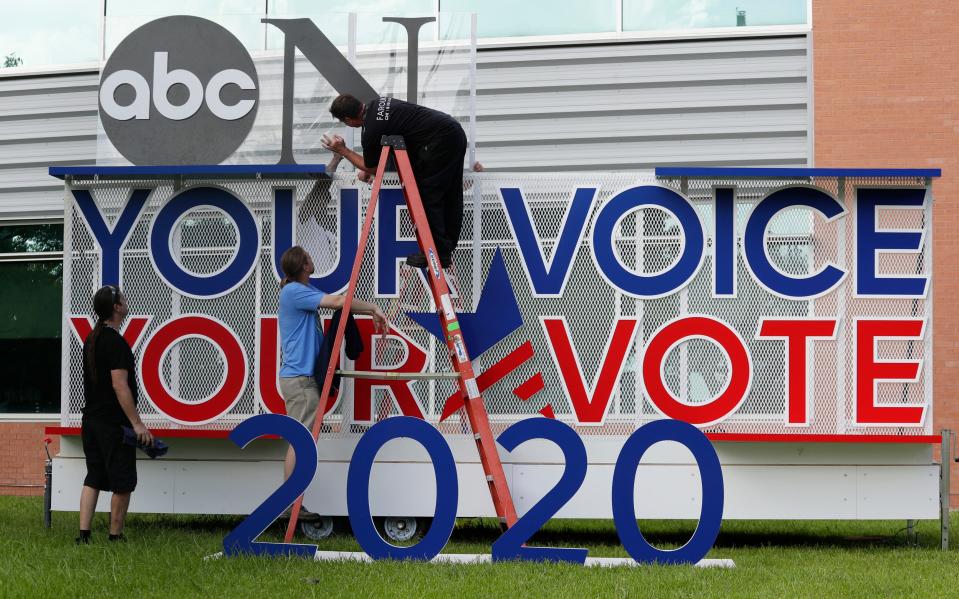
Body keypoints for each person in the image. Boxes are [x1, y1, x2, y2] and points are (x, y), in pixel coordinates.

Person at [277, 246, 386, 517]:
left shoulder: (302, 291)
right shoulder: (293, 292)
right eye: (310, 258)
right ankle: (291, 503)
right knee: (301, 439)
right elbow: (339, 303)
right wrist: (372, 309)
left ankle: (292, 502)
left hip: (301, 378)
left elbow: (342, 302)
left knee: (303, 438)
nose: (314, 261)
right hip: (300, 379)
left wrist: (371, 308)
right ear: (304, 265)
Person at [324, 94, 468, 269]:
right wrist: (369, 165)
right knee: (451, 192)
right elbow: (400, 135)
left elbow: (373, 168)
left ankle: (437, 253)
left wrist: (343, 150)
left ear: (348, 119)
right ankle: (446, 248)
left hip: (439, 141)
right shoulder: (379, 103)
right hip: (453, 131)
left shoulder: (371, 129)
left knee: (428, 195)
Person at [76, 285, 153, 544]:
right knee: (123, 480)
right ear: (117, 307)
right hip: (113, 424)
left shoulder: (92, 338)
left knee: (94, 475)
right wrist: (137, 424)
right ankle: (115, 536)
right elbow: (120, 385)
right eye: (122, 297)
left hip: (91, 420)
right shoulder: (116, 342)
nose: (126, 299)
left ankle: (83, 536)